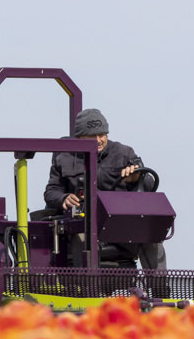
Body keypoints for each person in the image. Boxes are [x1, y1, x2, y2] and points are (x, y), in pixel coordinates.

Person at [42, 108, 167, 270]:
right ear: (79, 137)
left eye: (102, 135)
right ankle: (86, 290)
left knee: (152, 238)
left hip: (121, 223)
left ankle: (161, 292)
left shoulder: (124, 153)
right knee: (82, 237)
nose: (98, 140)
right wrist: (64, 198)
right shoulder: (64, 158)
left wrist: (136, 178)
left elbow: (148, 184)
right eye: (92, 136)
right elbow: (51, 192)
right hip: (84, 223)